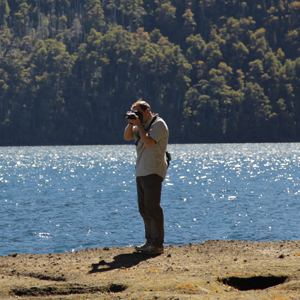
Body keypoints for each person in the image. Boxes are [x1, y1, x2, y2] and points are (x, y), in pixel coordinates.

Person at [124, 100, 169, 255]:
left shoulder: (158, 124)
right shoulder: (139, 126)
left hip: (153, 170)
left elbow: (149, 142)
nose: (137, 115)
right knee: (143, 209)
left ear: (147, 110)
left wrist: (140, 126)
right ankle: (149, 241)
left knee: (152, 207)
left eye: (138, 112)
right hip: (141, 171)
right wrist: (131, 123)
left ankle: (158, 245)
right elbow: (127, 137)